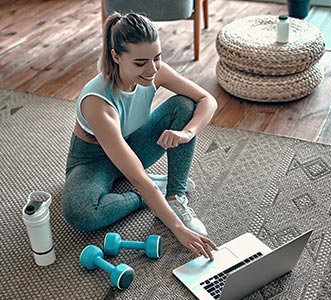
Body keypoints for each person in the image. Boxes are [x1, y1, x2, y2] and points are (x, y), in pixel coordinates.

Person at [61, 12, 218, 259]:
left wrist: (187, 133)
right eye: (140, 62)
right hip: (92, 159)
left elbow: (206, 100)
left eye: (157, 58)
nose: (152, 69)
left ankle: (174, 194)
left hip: (132, 143)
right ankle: (149, 195)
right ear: (116, 56)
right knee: (81, 212)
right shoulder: (97, 102)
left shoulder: (155, 71)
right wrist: (177, 228)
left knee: (184, 106)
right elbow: (137, 176)